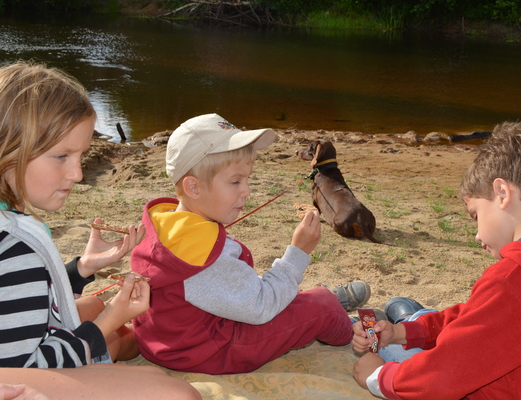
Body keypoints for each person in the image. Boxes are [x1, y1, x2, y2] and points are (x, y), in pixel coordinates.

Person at [352, 121, 521, 400]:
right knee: (415, 328)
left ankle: (408, 317)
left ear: (502, 193)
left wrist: (378, 377)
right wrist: (403, 333)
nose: (477, 234)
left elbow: (443, 377)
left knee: (387, 355)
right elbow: (477, 317)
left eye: (476, 215)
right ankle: (408, 319)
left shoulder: (512, 280)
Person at [0, 61, 200, 400]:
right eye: (61, 156)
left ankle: (134, 347)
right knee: (177, 394)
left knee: (91, 306)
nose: (77, 174)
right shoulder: (15, 246)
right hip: (16, 375)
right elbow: (27, 369)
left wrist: (82, 268)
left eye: (81, 155)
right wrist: (110, 319)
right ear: (8, 149)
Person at [130, 113, 370, 374]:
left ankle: (320, 302)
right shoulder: (205, 253)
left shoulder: (168, 224)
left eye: (247, 179)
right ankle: (353, 329)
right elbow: (260, 306)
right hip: (210, 351)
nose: (247, 190)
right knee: (322, 305)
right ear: (193, 188)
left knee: (288, 293)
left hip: (171, 343)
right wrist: (298, 253)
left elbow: (224, 288)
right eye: (235, 181)